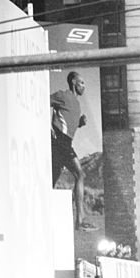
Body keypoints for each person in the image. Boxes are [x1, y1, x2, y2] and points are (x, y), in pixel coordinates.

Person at [49, 71, 89, 228]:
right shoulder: (63, 95)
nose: (83, 86)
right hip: (60, 141)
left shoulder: (76, 104)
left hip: (66, 142)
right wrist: (48, 126)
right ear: (73, 82)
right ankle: (80, 220)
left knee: (52, 179)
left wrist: (80, 123)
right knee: (80, 174)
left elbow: (67, 121)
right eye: (81, 83)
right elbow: (43, 102)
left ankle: (45, 214)